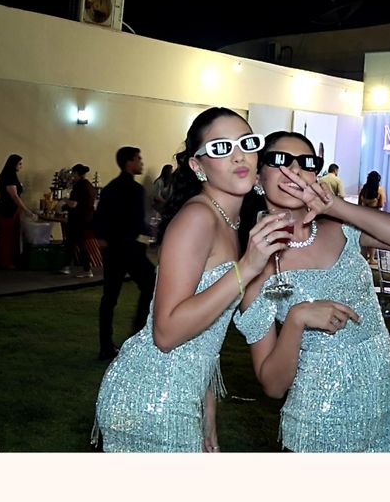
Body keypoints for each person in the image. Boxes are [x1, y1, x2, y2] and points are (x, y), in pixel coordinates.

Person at [95, 110, 286, 451]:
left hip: (184, 392)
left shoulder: (228, 221)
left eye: (246, 143)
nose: (238, 155)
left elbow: (204, 332)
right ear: (197, 166)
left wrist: (206, 403)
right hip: (153, 395)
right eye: (221, 148)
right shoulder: (198, 218)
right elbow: (166, 333)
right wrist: (247, 267)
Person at [233, 132, 390, 452]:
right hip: (319, 423)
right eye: (279, 160)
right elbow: (273, 386)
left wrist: (335, 205)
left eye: (306, 163)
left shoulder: (343, 230)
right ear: (257, 178)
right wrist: (296, 319)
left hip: (384, 405)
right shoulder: (257, 272)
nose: (294, 170)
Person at [94, 147, 156, 360]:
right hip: (129, 247)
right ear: (129, 162)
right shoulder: (135, 190)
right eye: (138, 159)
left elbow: (99, 217)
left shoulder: (110, 188)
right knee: (152, 286)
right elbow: (136, 221)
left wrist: (102, 237)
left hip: (112, 248)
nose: (141, 163)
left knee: (109, 297)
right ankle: (138, 333)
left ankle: (106, 345)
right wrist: (151, 230)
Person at [0, 154, 36, 269]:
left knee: (13, 236)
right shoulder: (8, 176)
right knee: (7, 237)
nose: (21, 166)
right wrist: (25, 210)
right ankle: (5, 262)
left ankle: (11, 260)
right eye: (19, 164)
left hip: (12, 210)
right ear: (14, 164)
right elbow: (14, 196)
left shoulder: (11, 175)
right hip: (6, 210)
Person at [60, 164, 95, 278]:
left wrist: (64, 200)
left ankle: (87, 269)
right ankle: (66, 267)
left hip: (78, 220)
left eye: (73, 174)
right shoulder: (89, 185)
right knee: (71, 243)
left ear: (76, 173)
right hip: (86, 218)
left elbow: (73, 204)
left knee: (80, 244)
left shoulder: (80, 186)